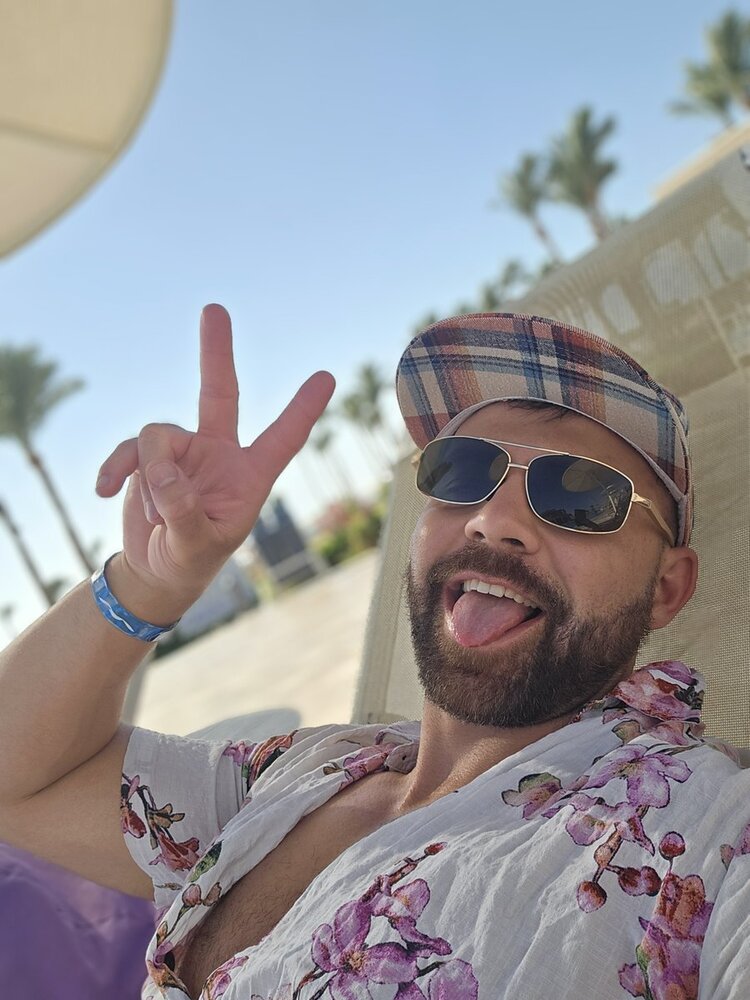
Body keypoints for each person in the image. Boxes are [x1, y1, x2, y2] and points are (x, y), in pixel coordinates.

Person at [0, 305, 747, 1000]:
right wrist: (149, 583)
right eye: (463, 471)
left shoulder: (702, 836)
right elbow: (17, 777)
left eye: (580, 496)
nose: (492, 520)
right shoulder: (299, 775)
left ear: (666, 588)